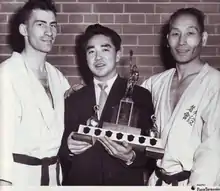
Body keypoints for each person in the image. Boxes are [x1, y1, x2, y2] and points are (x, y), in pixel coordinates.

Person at [59, 24, 156, 185]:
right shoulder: (74, 99)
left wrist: (131, 157)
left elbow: (150, 149)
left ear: (118, 55)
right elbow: (58, 147)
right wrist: (67, 148)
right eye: (91, 52)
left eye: (105, 49)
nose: (98, 58)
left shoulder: (140, 96)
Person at [141, 8, 220, 186]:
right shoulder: (156, 83)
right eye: (176, 33)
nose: (182, 42)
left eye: (190, 33)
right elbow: (128, 103)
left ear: (204, 38)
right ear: (168, 39)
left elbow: (213, 152)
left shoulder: (215, 84)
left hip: (194, 182)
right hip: (157, 182)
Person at [0, 0, 71, 186]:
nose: (49, 32)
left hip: (54, 176)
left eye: (53, 25)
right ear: (24, 30)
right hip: (18, 178)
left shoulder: (58, 77)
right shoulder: (6, 74)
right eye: (41, 24)